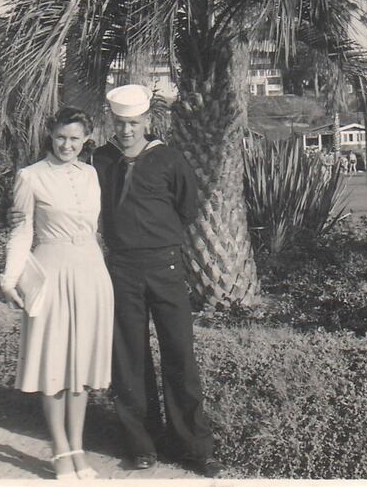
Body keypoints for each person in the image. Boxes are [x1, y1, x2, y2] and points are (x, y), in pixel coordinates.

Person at [93, 84, 224, 478]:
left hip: (165, 266)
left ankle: (193, 446)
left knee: (179, 353)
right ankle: (141, 443)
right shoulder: (101, 159)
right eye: (119, 123)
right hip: (120, 269)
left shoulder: (167, 158)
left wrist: (160, 240)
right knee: (129, 358)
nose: (126, 131)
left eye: (133, 123)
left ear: (146, 121)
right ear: (111, 122)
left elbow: (186, 206)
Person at [0, 108, 114, 480]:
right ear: (51, 135)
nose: (68, 145)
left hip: (91, 272)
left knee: (80, 367)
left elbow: (97, 228)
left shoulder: (92, 174)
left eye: (75, 139)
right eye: (62, 137)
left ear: (86, 140)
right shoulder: (30, 177)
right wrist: (9, 278)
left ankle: (78, 447)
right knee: (53, 363)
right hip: (50, 271)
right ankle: (59, 449)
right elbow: (21, 232)